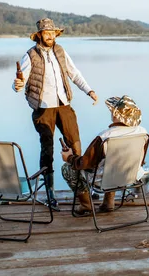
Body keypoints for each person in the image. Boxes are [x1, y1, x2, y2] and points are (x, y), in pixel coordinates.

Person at [13, 18, 98, 210]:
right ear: (40, 35)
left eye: (53, 33)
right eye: (46, 33)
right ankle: (50, 192)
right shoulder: (31, 55)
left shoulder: (60, 51)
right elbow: (20, 81)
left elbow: (74, 74)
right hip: (43, 109)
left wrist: (89, 91)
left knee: (75, 145)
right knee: (48, 150)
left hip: (64, 105)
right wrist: (17, 85)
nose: (50, 36)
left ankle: (83, 190)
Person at [60, 95, 149, 216]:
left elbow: (84, 163)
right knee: (113, 163)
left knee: (67, 168)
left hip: (102, 181)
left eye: (113, 111)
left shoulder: (105, 137)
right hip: (130, 177)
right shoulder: (143, 133)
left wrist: (69, 157)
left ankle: (86, 205)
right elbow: (141, 160)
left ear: (116, 115)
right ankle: (108, 202)